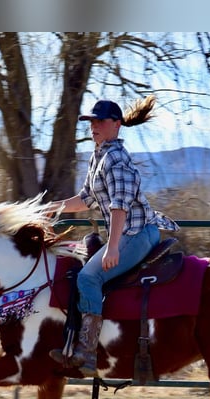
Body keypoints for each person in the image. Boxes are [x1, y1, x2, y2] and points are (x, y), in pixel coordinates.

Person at [46, 95, 179, 377]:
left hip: (136, 233)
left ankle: (87, 352)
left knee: (88, 277)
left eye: (100, 121)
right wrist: (53, 208)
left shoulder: (115, 159)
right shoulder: (99, 156)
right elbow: (85, 198)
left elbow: (120, 204)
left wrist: (113, 247)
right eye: (91, 121)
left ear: (116, 125)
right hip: (128, 231)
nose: (94, 126)